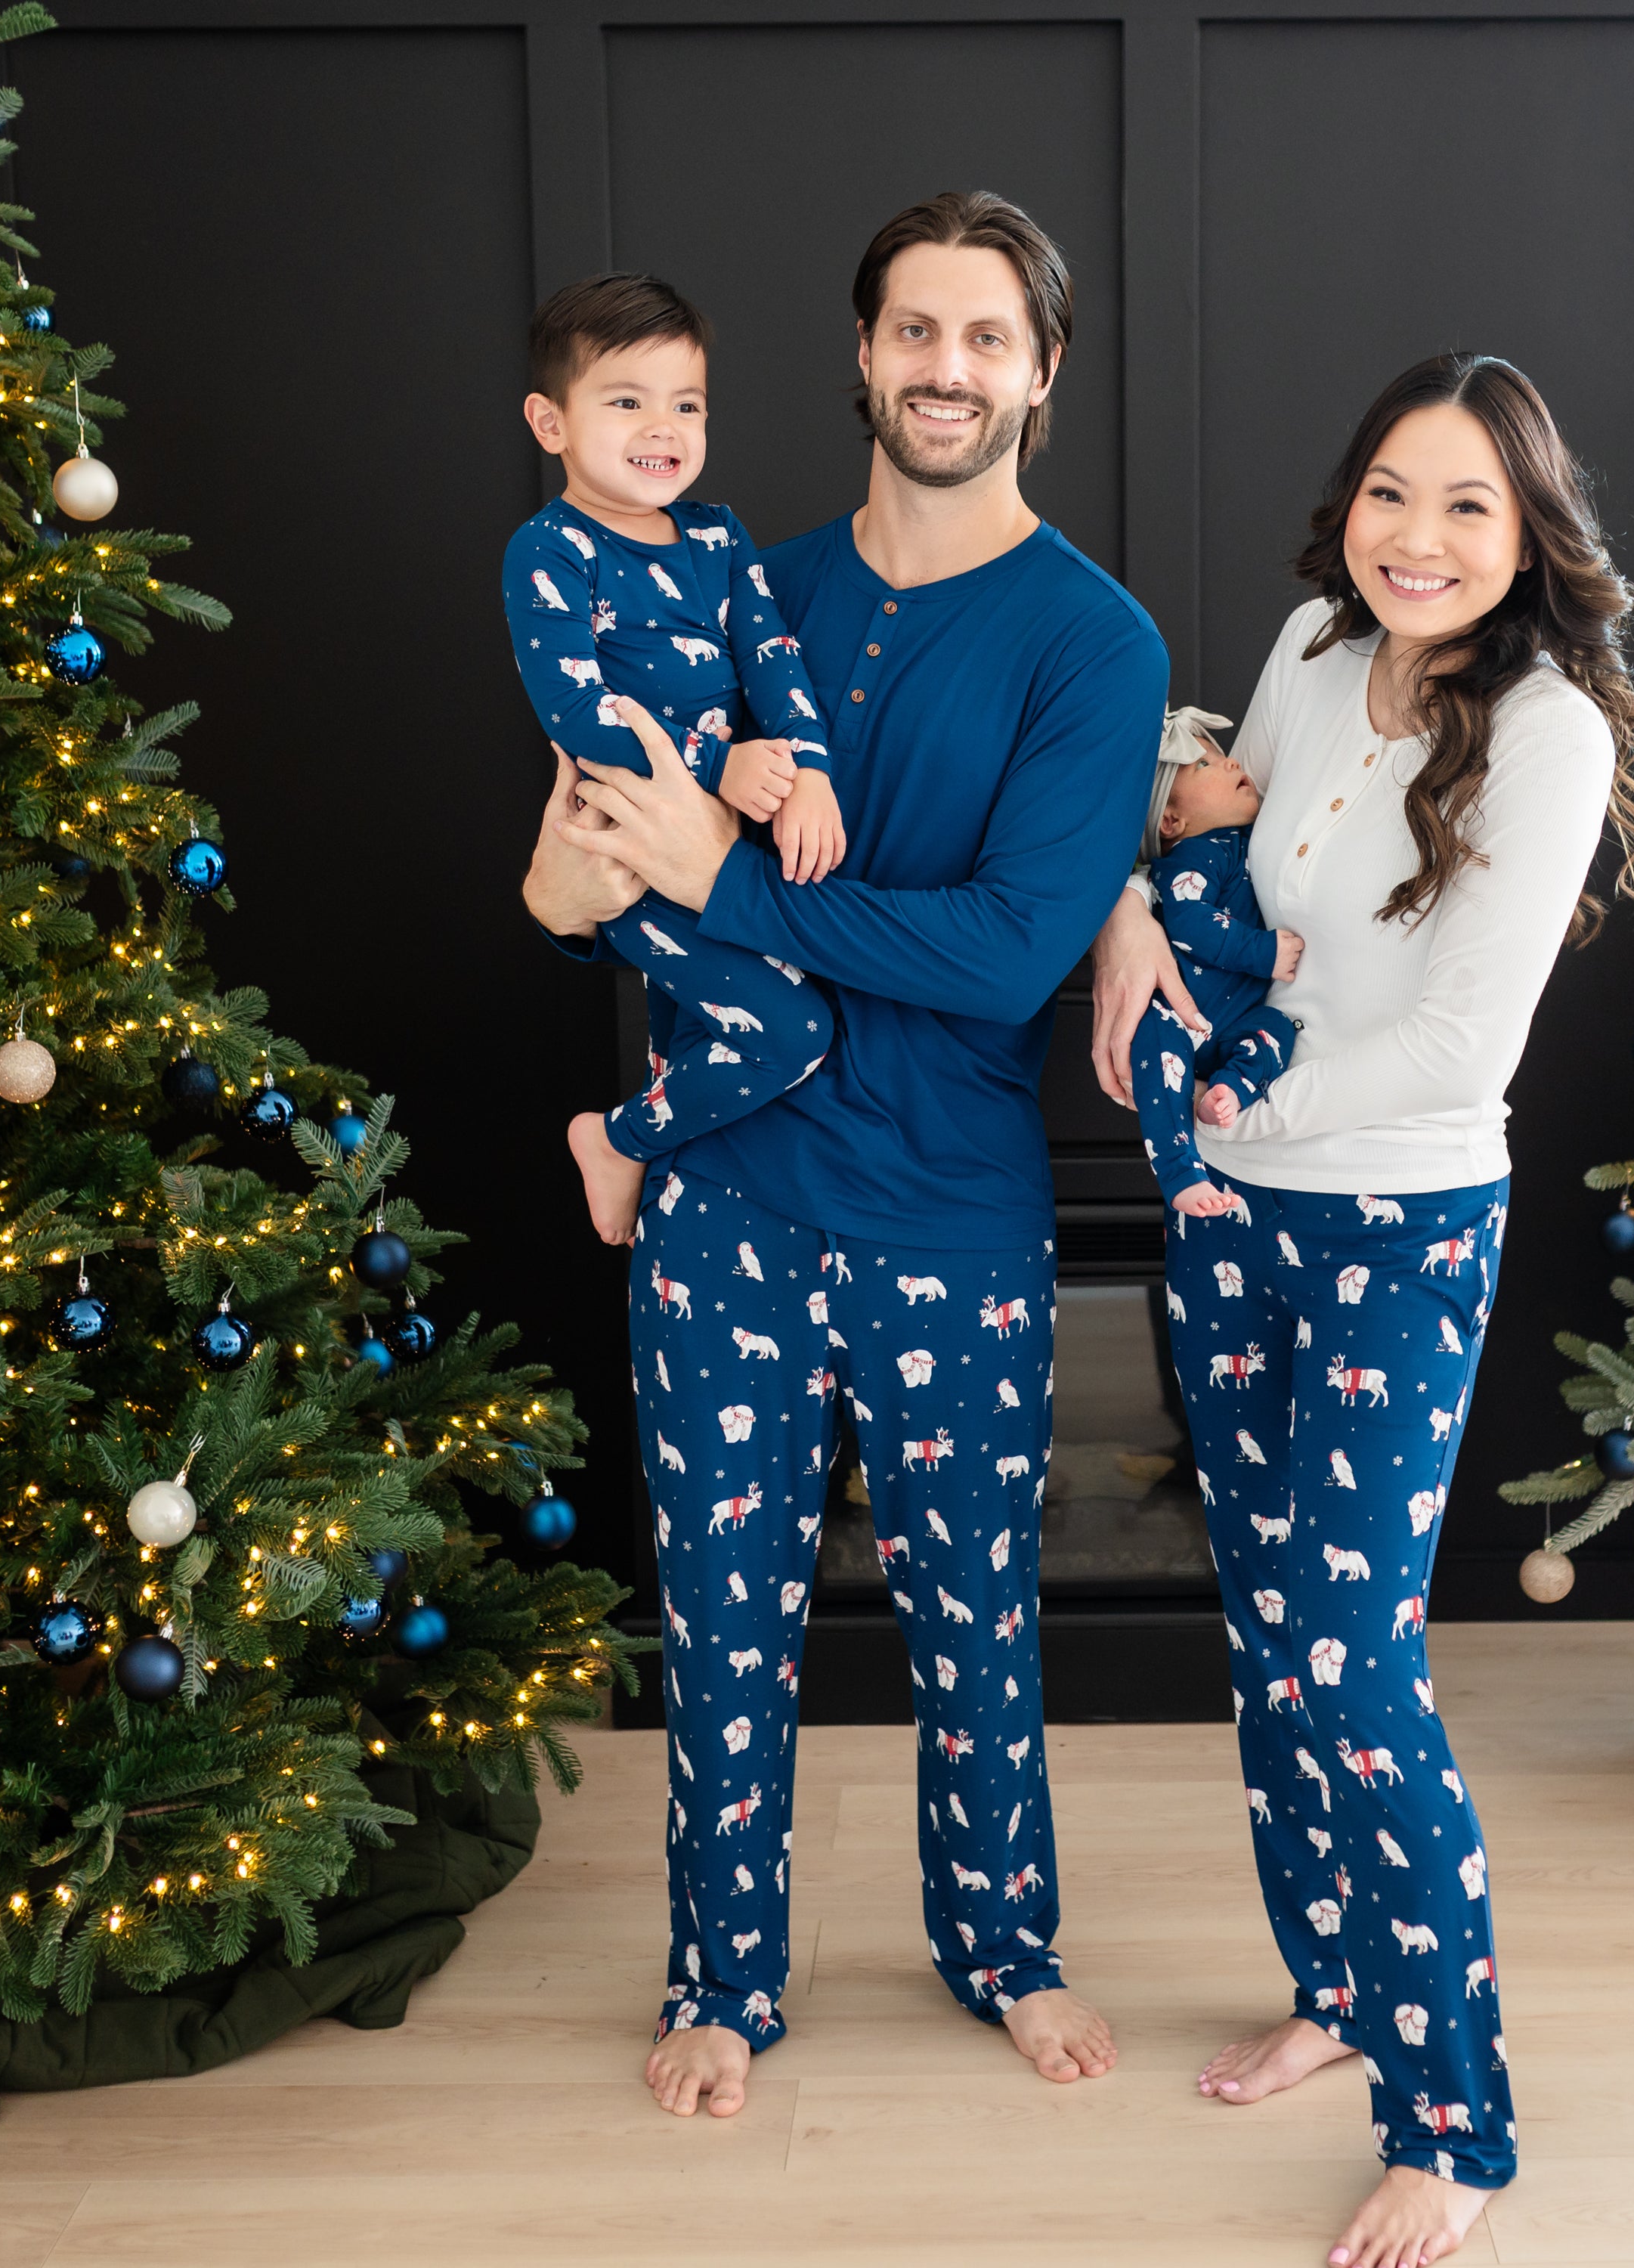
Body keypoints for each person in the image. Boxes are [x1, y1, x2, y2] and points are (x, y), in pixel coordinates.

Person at [519, 191, 1168, 2124]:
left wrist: (728, 877)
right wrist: (577, 860)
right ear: (863, 357)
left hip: (951, 1217)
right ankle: (725, 1978)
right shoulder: (732, 581)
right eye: (912, 331)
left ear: (1040, 373)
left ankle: (1006, 1945)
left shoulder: (1092, 640)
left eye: (984, 337)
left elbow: (999, 953)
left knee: (979, 1611)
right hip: (724, 1199)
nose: (944, 367)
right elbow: (571, 868)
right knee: (720, 1617)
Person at [1090, 352, 1634, 2268]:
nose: (1416, 537)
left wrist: (1219, 1098)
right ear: (1349, 501)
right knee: (1267, 1638)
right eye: (1390, 493)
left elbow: (1443, 1048)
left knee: (1352, 1660)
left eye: (1467, 506)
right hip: (1232, 1213)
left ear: (1526, 537)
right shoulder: (1311, 645)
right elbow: (1230, 861)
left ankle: (1453, 2116)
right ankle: (1335, 1988)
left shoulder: (1552, 732)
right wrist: (1142, 933)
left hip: (1394, 1227)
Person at [503, 272, 844, 1249]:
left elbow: (773, 658)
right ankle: (614, 1142)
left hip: (727, 848)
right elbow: (577, 712)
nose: (664, 427)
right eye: (626, 401)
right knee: (792, 1029)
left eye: (685, 404)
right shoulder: (551, 551)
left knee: (697, 1037)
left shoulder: (716, 535)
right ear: (550, 421)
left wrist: (808, 768)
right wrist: (719, 764)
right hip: (631, 843)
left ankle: (679, 1202)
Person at [1130, 706, 1304, 1219]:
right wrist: (1262, 951)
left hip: (1234, 1022)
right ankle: (1179, 1171)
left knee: (1276, 1028)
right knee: (1156, 1058)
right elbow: (1189, 925)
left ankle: (1229, 1088)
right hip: (1177, 1019)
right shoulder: (1192, 855)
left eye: (1222, 756)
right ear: (1171, 820)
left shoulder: (1243, 840)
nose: (1231, 765)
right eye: (1205, 765)